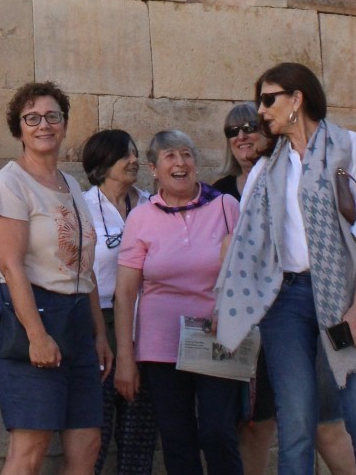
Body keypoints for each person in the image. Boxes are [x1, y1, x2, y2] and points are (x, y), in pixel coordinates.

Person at [215, 63, 356, 475]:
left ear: (297, 99)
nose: (260, 111)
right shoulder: (264, 170)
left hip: (345, 293)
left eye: (268, 99)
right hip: (287, 300)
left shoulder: (349, 148)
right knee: (295, 421)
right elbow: (246, 243)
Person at [0, 81, 113, 475]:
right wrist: (38, 335)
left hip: (76, 318)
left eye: (53, 116)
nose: (44, 125)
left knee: (87, 440)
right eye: (32, 118)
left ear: (65, 123)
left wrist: (99, 334)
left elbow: (81, 267)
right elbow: (10, 265)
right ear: (18, 128)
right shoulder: (9, 183)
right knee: (32, 445)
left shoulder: (71, 184)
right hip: (29, 314)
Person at [113, 130, 243, 475]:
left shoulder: (227, 207)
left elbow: (249, 273)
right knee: (176, 439)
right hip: (160, 346)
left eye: (186, 154)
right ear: (154, 169)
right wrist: (126, 357)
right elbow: (125, 292)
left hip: (218, 338)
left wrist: (230, 309)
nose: (181, 163)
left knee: (218, 432)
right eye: (170, 156)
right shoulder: (140, 218)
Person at [81, 129, 157, 475]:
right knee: (95, 432)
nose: (134, 160)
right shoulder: (82, 207)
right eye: (125, 154)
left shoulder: (153, 205)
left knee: (139, 433)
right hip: (100, 323)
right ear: (102, 163)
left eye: (135, 152)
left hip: (149, 325)